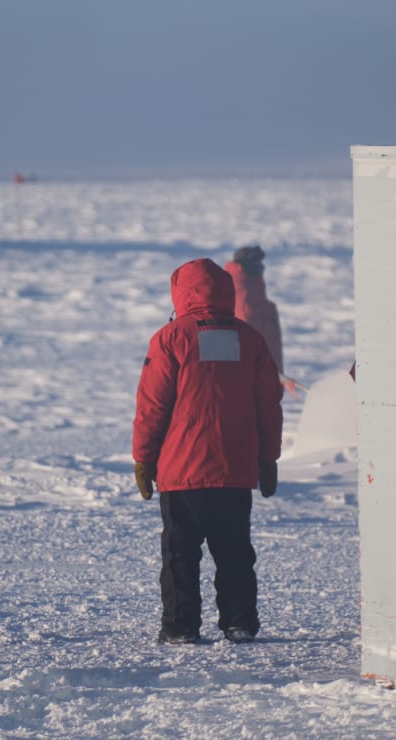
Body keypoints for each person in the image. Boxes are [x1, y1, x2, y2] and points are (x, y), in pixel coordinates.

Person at [133, 257, 283, 645]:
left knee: (180, 555)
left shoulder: (170, 339)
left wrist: (143, 458)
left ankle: (180, 627)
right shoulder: (250, 340)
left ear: (180, 293)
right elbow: (269, 405)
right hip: (234, 471)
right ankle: (240, 622)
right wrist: (268, 459)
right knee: (234, 552)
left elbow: (152, 406)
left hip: (182, 473)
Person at [223, 245, 283, 374]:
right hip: (252, 371)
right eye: (256, 263)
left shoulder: (249, 283)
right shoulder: (242, 293)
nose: (261, 267)